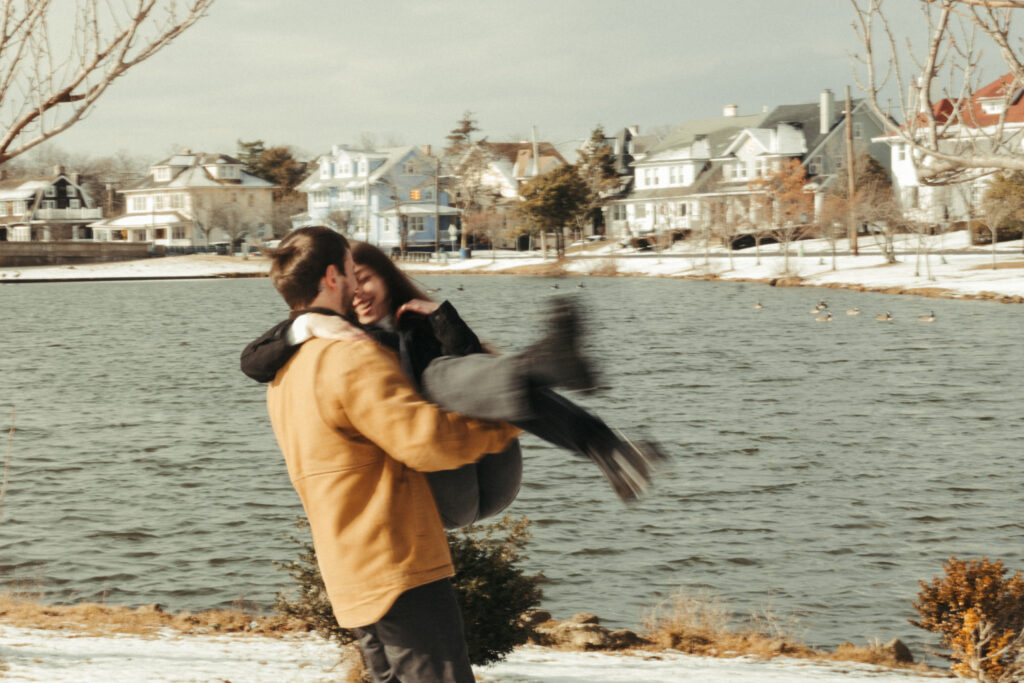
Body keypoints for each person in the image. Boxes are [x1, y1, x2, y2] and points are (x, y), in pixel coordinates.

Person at [260, 226, 526, 682]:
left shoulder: (285, 374)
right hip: (399, 559)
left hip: (348, 564)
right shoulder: (351, 355)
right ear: (331, 277)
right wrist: (502, 421)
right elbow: (428, 444)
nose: (356, 283)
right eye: (349, 269)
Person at [242, 240, 666, 509]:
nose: (359, 293)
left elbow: (475, 366)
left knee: (466, 374)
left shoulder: (417, 324)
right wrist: (305, 325)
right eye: (353, 284)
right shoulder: (341, 333)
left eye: (365, 278)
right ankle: (546, 364)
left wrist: (443, 318)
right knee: (442, 376)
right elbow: (252, 360)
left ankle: (604, 445)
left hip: (489, 473)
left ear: (387, 276)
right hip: (441, 480)